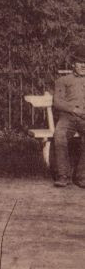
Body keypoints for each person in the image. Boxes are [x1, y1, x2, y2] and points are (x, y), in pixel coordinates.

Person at [53, 43, 85, 188]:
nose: (83, 66)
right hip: (68, 117)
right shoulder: (63, 80)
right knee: (60, 135)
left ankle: (82, 176)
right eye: (80, 62)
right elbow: (57, 102)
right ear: (73, 64)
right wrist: (74, 109)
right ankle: (63, 175)